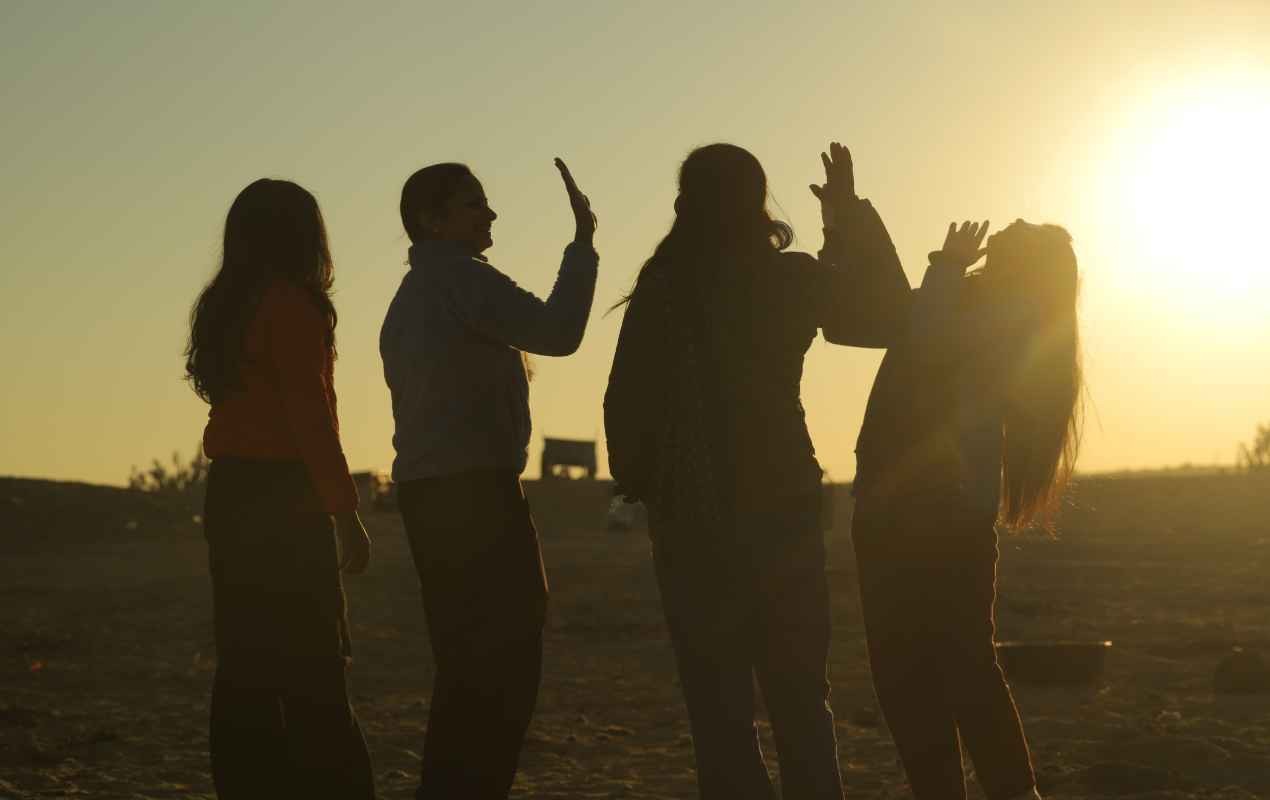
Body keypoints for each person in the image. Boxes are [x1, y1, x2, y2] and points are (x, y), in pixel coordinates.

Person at [604, 142, 907, 800]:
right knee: (800, 698)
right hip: (782, 504)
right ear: (758, 202)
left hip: (691, 516)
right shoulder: (788, 280)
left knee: (719, 712)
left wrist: (646, 483)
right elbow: (885, 316)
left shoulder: (663, 288)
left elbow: (625, 400)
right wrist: (846, 216)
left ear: (685, 204)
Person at [380, 158, 598, 799]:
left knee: (466, 670)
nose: (491, 214)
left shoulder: (413, 294)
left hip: (431, 495)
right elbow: (559, 332)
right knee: (502, 666)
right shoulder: (457, 277)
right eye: (475, 205)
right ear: (431, 220)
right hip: (474, 494)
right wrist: (582, 245)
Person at [848, 203, 1082, 799]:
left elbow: (922, 341)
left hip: (926, 509)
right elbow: (892, 317)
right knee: (951, 667)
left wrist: (947, 266)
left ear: (1026, 263)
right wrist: (851, 216)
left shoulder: (998, 314)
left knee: (927, 671)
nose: (1005, 227)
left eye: (1019, 233)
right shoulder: (987, 306)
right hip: (929, 507)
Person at [187, 178, 375, 799]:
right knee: (317, 664)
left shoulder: (226, 306)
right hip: (285, 498)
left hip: (232, 493)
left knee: (244, 664)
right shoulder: (293, 307)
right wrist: (345, 512)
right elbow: (310, 417)